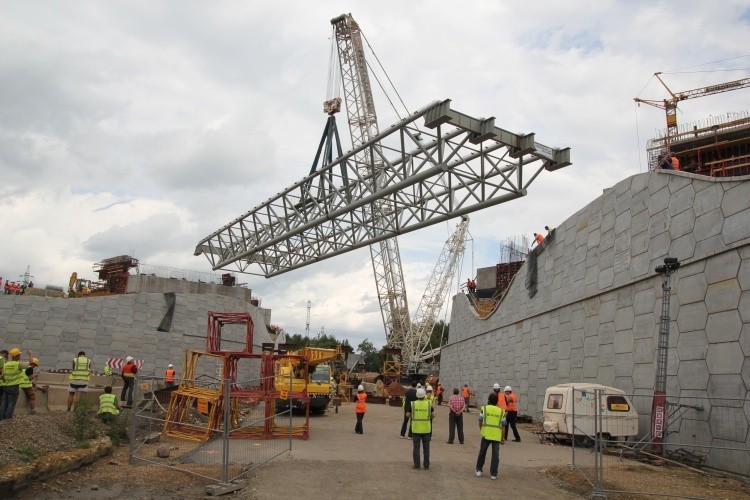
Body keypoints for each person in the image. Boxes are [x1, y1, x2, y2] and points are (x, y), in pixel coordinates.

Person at [475, 392, 505, 480]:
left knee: (482, 453)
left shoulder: (484, 408)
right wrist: (502, 437)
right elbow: (503, 426)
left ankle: (478, 470)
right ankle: (493, 474)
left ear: (488, 400)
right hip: (497, 436)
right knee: (495, 455)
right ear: (497, 401)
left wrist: (482, 430)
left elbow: (480, 421)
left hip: (486, 434)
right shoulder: (501, 411)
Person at [407, 388, 433, 470]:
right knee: (426, 448)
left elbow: (407, 415)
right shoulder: (429, 404)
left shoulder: (413, 404)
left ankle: (417, 464)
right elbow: (433, 415)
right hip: (426, 429)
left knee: (416, 448)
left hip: (416, 429)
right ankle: (426, 465)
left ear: (417, 395)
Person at [0, 348, 23, 419]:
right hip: (14, 387)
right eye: (19, 355)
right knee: (11, 403)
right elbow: (31, 364)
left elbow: (2, 375)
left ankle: (1, 418)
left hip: (5, 386)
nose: (20, 356)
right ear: (16, 356)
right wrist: (30, 354)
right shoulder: (18, 364)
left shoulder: (6, 364)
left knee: (4, 404)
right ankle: (8, 418)